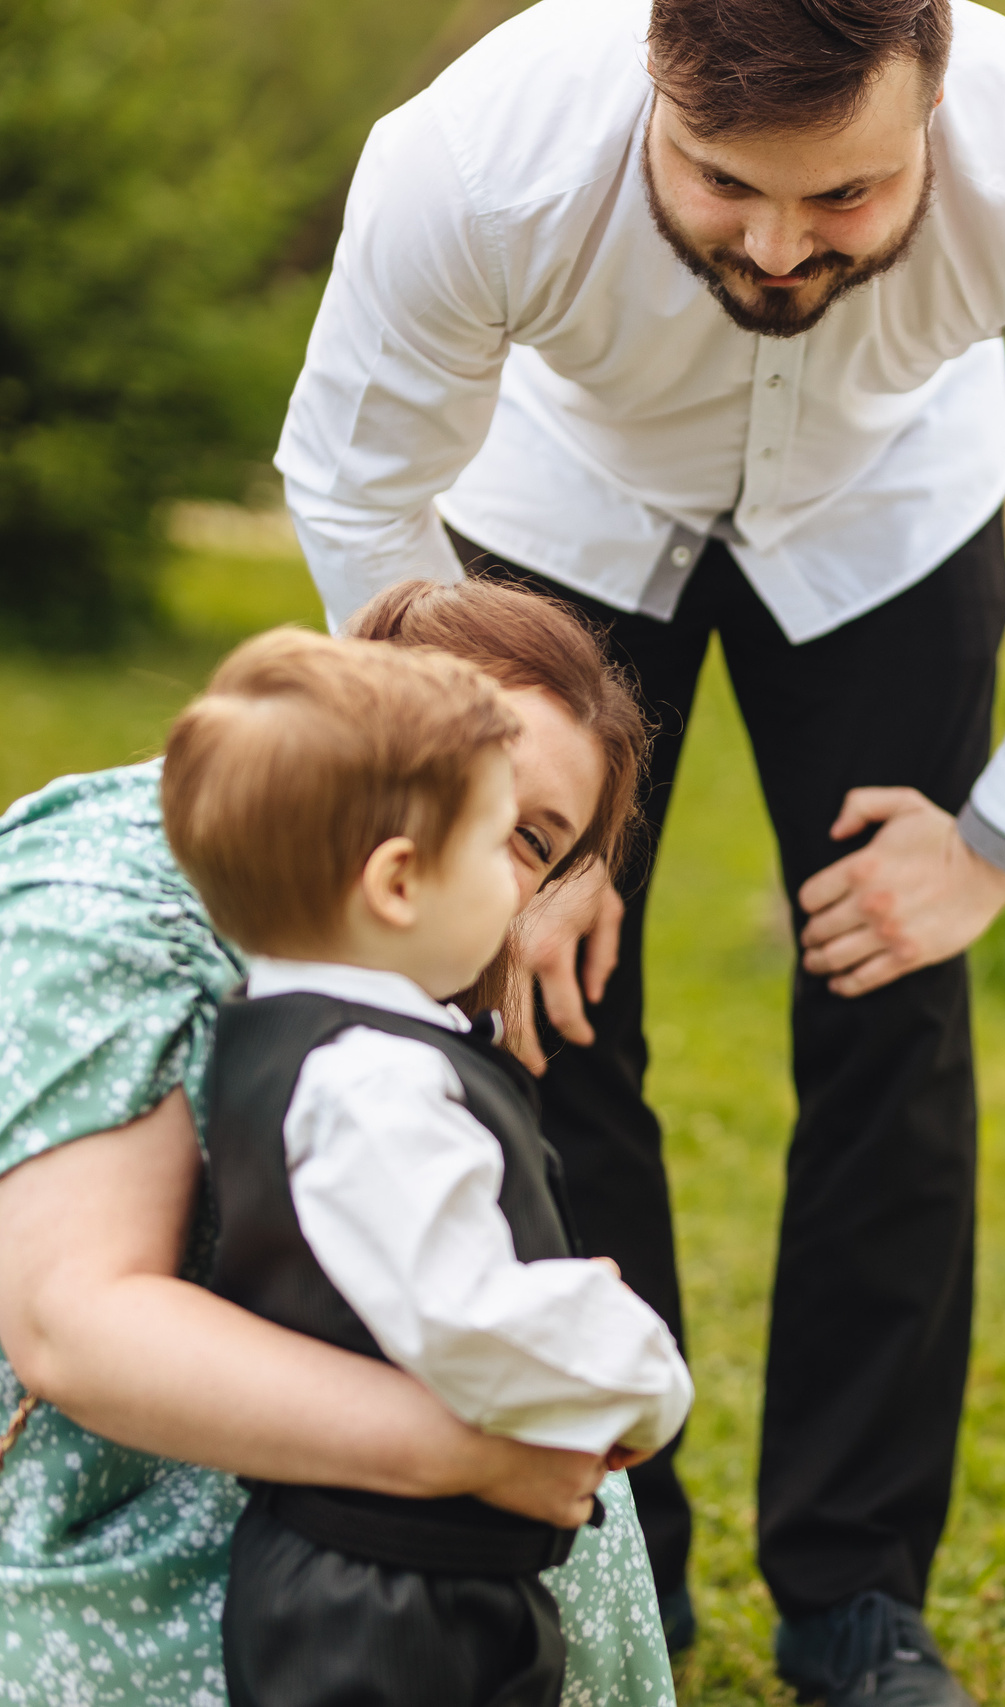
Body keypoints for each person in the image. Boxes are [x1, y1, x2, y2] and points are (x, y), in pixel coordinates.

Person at [273, 0, 1005, 1691]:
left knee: (893, 1020)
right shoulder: (475, 159)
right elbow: (353, 484)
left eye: (848, 199)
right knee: (543, 1019)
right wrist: (502, 833)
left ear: (938, 102)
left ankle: (859, 1591)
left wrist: (1000, 841)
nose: (781, 246)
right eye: (724, 186)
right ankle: (613, 1544)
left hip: (888, 525)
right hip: (556, 526)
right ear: (653, 84)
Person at [0, 577, 673, 1706]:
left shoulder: (416, 946)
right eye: (474, 769)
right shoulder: (115, 893)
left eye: (531, 836)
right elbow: (74, 1325)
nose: (475, 834)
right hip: (108, 1459)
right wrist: (475, 1455)